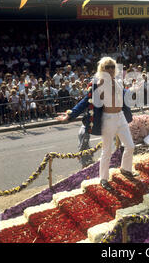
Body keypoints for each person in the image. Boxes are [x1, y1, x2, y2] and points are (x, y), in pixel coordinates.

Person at [56, 57, 136, 190]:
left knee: (130, 146)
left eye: (112, 66)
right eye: (107, 67)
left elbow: (124, 94)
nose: (110, 69)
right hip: (108, 119)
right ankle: (104, 179)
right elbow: (84, 102)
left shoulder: (117, 82)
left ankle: (125, 169)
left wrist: (132, 91)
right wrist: (70, 115)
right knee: (107, 151)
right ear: (102, 69)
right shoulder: (97, 84)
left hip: (120, 117)